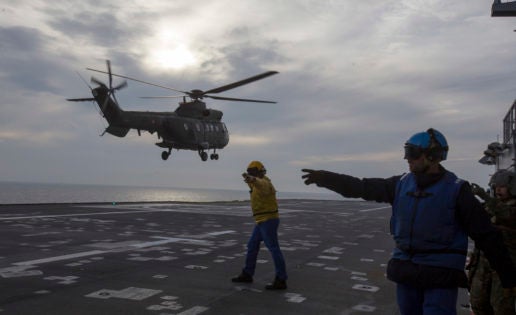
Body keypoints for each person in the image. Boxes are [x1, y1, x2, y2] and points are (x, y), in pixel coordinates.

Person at [301, 128, 516, 315]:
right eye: (407, 153)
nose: (407, 159)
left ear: (432, 156)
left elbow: (486, 235)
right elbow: (361, 187)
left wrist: (507, 277)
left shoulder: (458, 191)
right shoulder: (400, 184)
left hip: (439, 276)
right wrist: (326, 178)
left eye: (412, 154)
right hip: (407, 272)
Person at [231, 160, 288, 290]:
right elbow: (255, 184)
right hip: (261, 221)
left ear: (259, 172)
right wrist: (249, 179)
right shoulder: (255, 184)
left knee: (273, 248)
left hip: (268, 220)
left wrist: (252, 179)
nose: (251, 175)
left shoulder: (265, 183)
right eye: (250, 173)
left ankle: (281, 279)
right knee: (252, 245)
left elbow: (260, 183)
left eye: (253, 172)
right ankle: (247, 274)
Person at [469, 170, 516, 315]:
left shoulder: (510, 208)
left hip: (504, 265)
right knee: (478, 303)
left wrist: (484, 196)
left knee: (502, 307)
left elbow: (508, 215)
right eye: (496, 187)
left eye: (502, 187)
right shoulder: (490, 206)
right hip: (483, 263)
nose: (498, 190)